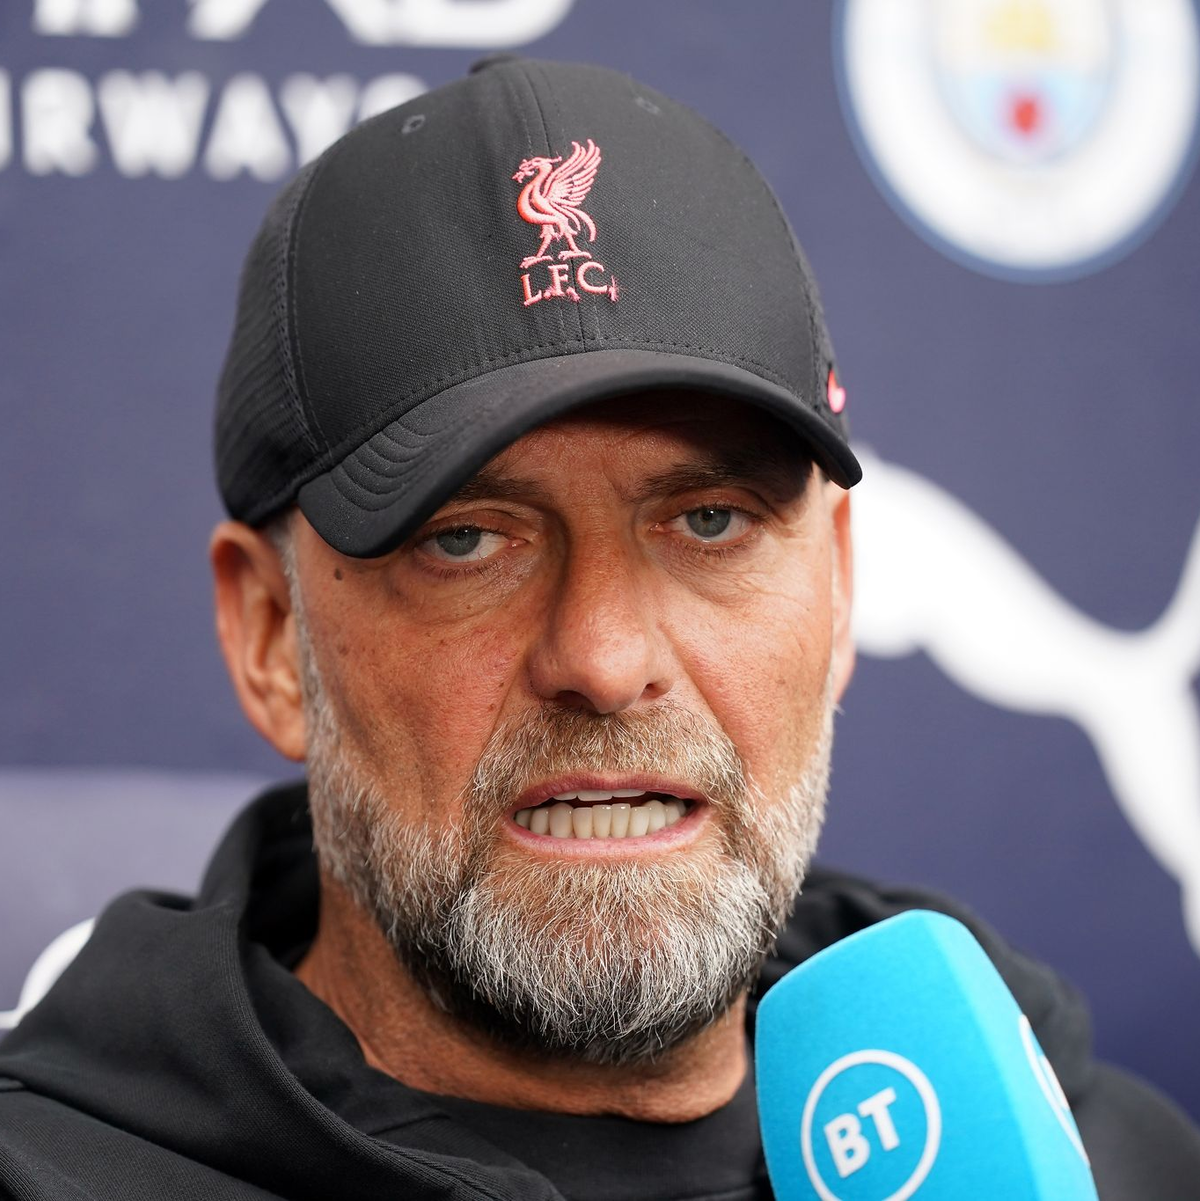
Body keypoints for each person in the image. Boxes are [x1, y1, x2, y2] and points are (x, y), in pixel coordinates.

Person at [1, 57, 1197, 1201]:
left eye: (712, 520)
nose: (607, 660)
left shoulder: (1113, 1165)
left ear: (838, 592)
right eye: (466, 539)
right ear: (271, 638)